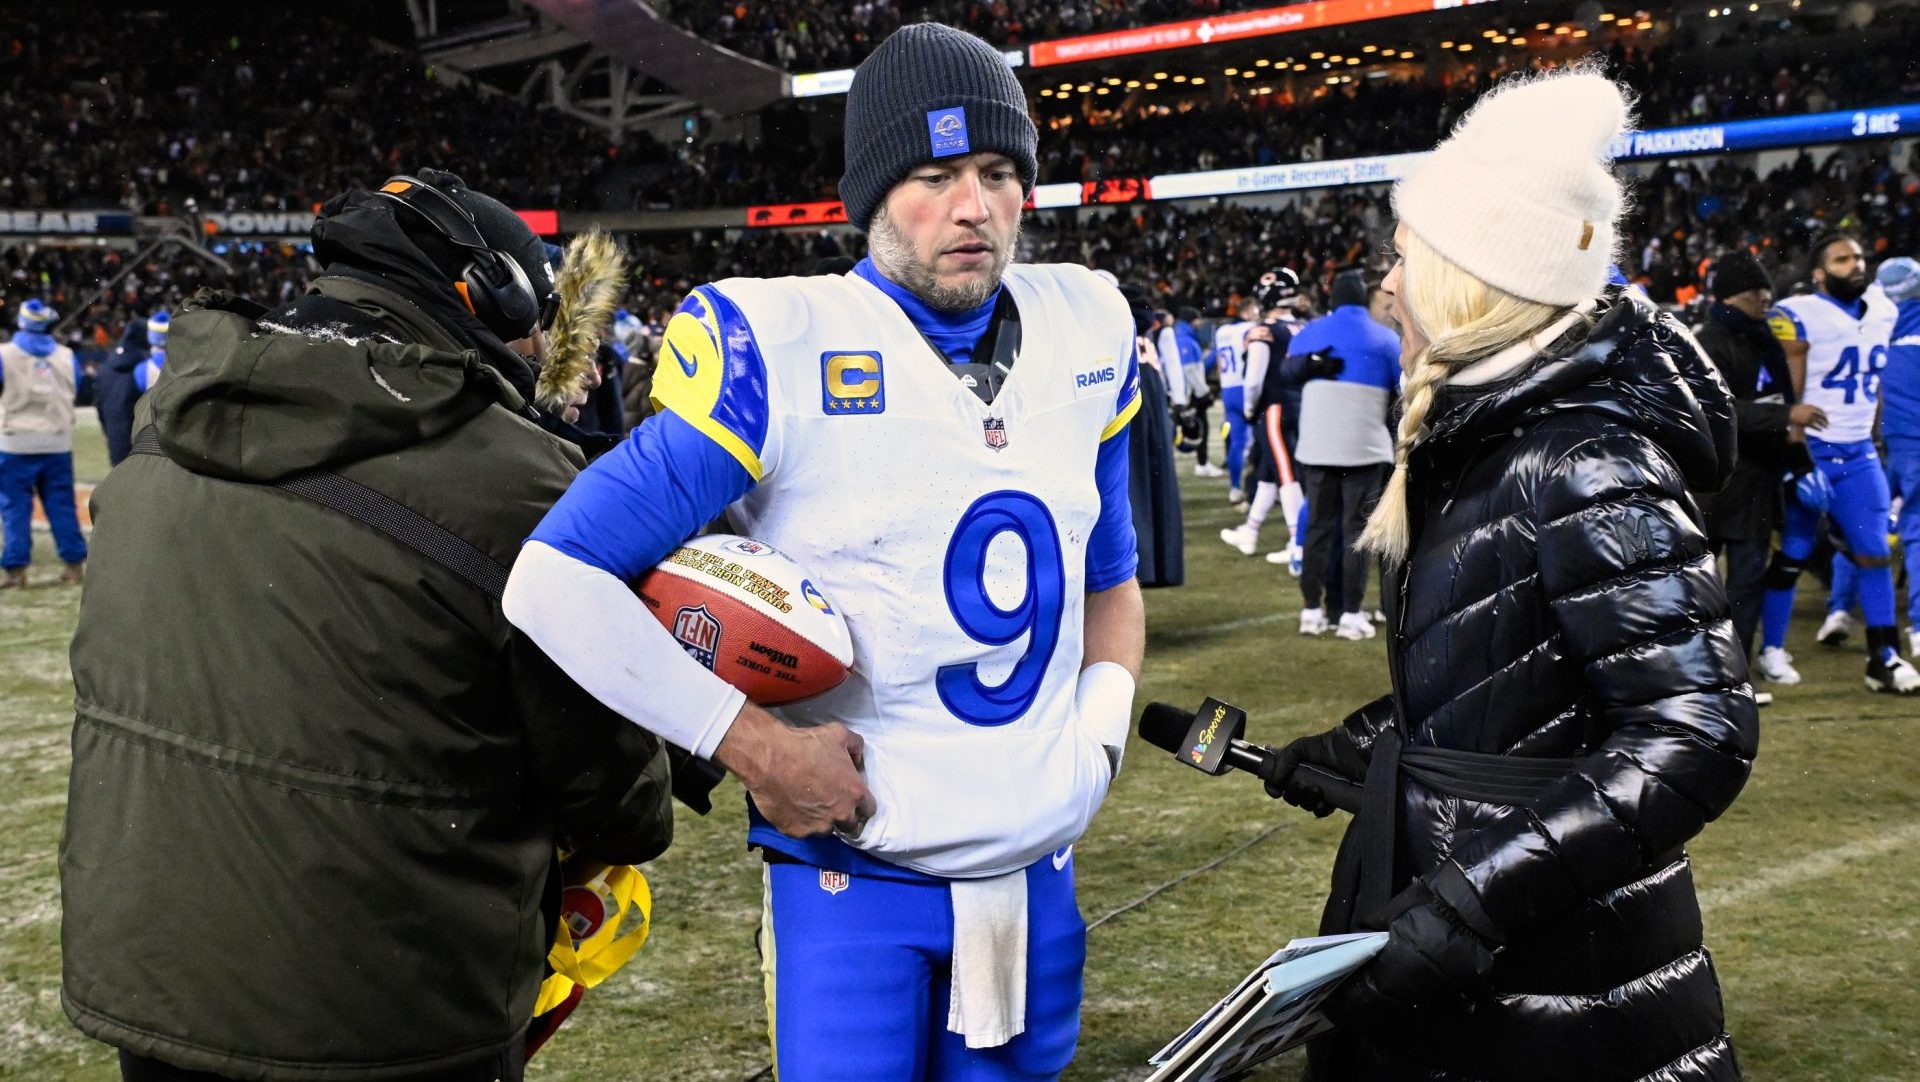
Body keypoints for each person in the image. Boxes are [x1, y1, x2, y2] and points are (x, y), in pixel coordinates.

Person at [503, 24, 1144, 1082]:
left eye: (998, 173)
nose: (974, 206)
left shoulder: (1089, 323)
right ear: (872, 195)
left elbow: (1109, 579)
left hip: (1039, 871)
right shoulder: (780, 345)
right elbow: (554, 578)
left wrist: (1100, 742)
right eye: (934, 177)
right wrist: (755, 745)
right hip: (854, 875)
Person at [61, 170, 675, 1082]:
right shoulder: (515, 479)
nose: (550, 343)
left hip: (151, 981)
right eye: (544, 316)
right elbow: (619, 803)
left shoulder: (165, 418)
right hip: (387, 1009)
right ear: (492, 296)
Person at [1265, 68, 1757, 1082]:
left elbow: (1696, 730)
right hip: (1495, 953)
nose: (1388, 284)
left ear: (1469, 279)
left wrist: (1472, 900)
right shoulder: (1494, 438)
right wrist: (1359, 750)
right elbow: (1512, 676)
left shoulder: (1586, 459)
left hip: (1565, 973)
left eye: (1406, 257)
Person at [1756, 234, 1920, 693]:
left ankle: (1883, 658)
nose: (1855, 264)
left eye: (1859, 257)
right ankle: (1771, 649)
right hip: (1812, 449)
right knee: (1794, 550)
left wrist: (1874, 431)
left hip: (1859, 452)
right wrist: (1795, 455)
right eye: (1842, 259)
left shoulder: (1883, 309)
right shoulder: (1798, 312)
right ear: (1819, 273)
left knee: (1875, 552)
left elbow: (1878, 381)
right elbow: (1784, 390)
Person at [1286, 268, 1399, 640]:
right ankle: (1351, 613)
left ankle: (1311, 610)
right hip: (1365, 450)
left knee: (1318, 529)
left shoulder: (1310, 333)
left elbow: (1287, 373)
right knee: (1356, 533)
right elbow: (1400, 394)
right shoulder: (1384, 338)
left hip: (1317, 448)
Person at [1, 298, 90, 588]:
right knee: (62, 506)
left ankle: (16, 571)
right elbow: (77, 385)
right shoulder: (66, 356)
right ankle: (74, 566)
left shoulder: (5, 354)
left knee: (15, 509)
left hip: (15, 443)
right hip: (57, 442)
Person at [1219, 269, 1303, 565]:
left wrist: (1249, 408)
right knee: (1268, 472)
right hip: (1300, 405)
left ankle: (1298, 543)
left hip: (1274, 408)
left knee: (1286, 473)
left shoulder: (1264, 331)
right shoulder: (1302, 327)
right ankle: (1251, 530)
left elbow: (1254, 380)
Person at [1876, 256, 1920, 656]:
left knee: (1865, 527)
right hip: (1911, 447)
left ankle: (1839, 610)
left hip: (1879, 445)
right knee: (1917, 530)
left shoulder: (1874, 326)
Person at [1213, 296, 1259, 501]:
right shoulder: (1251, 328)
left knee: (1237, 443)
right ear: (1247, 312)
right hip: (1246, 386)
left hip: (1228, 389)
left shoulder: (1222, 331)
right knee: (1262, 441)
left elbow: (1217, 361)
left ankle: (1235, 488)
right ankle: (1259, 488)